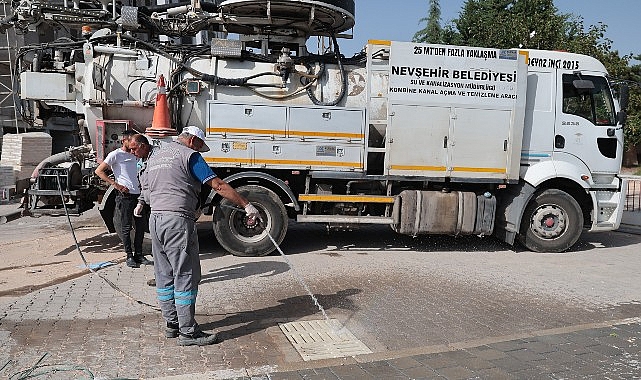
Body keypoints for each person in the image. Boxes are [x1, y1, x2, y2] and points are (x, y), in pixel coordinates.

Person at [137, 126, 259, 346]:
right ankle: (188, 333)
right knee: (186, 274)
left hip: (155, 220)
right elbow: (218, 185)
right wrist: (246, 205)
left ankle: (172, 324)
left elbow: (146, 188)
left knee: (164, 274)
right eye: (201, 146)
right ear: (192, 140)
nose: (201, 151)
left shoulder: (155, 155)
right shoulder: (189, 156)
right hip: (177, 222)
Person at [95, 130, 153, 268]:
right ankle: (129, 255)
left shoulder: (135, 155)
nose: (133, 146)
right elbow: (99, 171)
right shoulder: (116, 155)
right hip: (125, 196)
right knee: (126, 227)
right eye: (130, 142)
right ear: (124, 141)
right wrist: (116, 185)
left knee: (140, 227)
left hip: (138, 195)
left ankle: (139, 254)